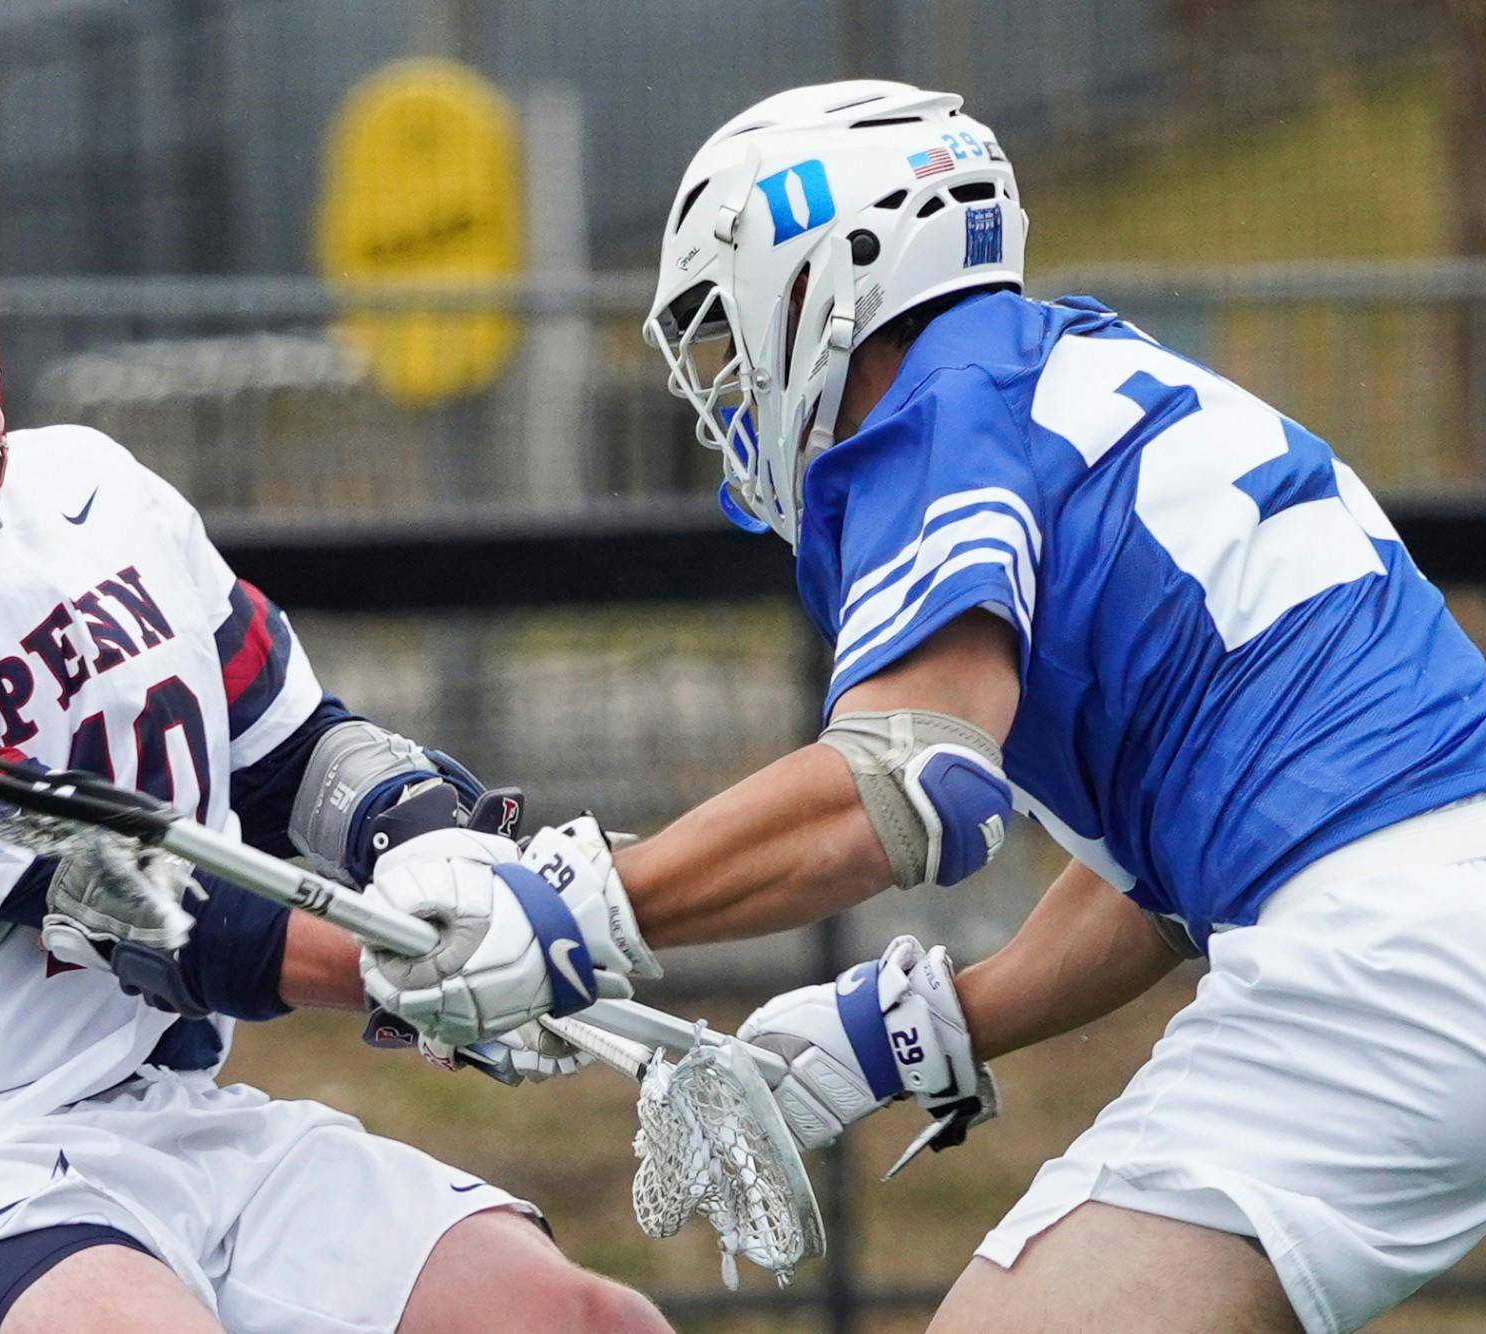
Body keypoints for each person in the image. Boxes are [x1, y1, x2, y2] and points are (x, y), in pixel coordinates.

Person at [358, 80, 1486, 1334]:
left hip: (1378, 966)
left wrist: (575, 905)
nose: (730, 389)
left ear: (822, 282)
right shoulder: (1078, 376)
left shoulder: (936, 411)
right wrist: (908, 1026)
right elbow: (1176, 867)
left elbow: (912, 777)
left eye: (732, 332)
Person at [0, 157, 668, 1334]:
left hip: (184, 1109)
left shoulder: (83, 483)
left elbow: (291, 753)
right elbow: (135, 894)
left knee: (585, 1321)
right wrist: (421, 964)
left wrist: (444, 850)